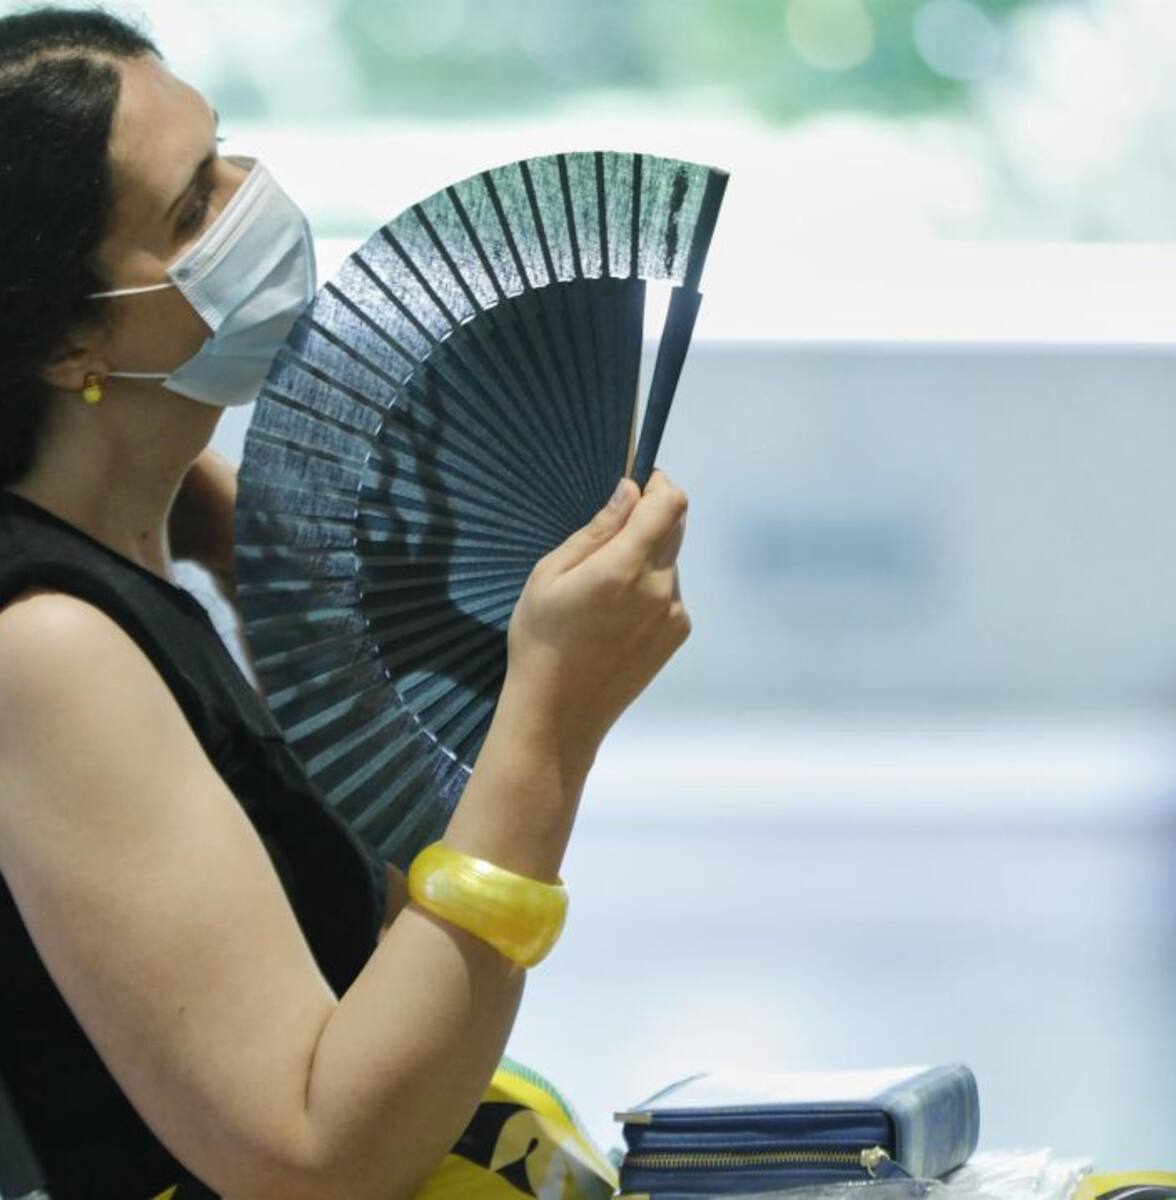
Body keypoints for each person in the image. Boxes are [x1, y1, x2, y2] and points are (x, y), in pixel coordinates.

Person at [0, 8, 691, 1199]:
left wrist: (277, 590)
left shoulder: (155, 557)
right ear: (69, 342)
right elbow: (314, 1155)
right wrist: (549, 723)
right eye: (192, 210)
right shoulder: (49, 646)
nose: (253, 199)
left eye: (226, 150)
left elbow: (368, 969)